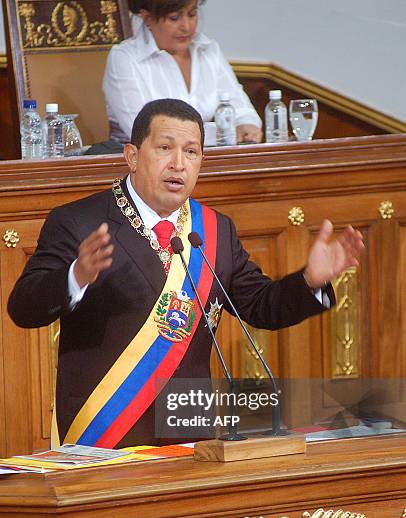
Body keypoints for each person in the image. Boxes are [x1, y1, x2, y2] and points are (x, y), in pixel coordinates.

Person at [7, 99, 364, 450]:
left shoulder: (214, 230)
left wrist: (310, 281)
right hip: (105, 427)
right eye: (165, 147)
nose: (178, 164)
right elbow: (23, 307)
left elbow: (260, 306)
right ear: (132, 156)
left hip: (188, 427)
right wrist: (76, 276)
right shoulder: (78, 221)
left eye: (191, 152)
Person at [103, 0, 262, 145]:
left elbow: (240, 107)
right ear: (147, 18)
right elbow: (146, 132)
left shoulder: (208, 50)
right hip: (144, 166)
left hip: (206, 158)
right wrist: (224, 132)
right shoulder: (125, 58)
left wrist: (247, 125)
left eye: (192, 14)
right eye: (174, 18)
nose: (187, 26)